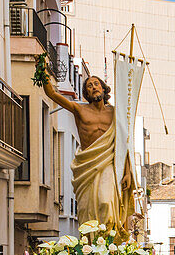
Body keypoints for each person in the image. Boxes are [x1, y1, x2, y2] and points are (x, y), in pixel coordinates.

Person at [43, 74, 136, 231]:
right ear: (86, 93)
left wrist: (127, 171)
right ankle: (92, 244)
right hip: (86, 165)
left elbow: (123, 143)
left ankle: (107, 243)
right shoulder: (79, 109)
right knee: (86, 210)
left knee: (105, 201)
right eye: (89, 86)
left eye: (96, 84)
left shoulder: (115, 113)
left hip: (108, 162)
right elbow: (52, 94)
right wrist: (42, 71)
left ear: (103, 88)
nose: (93, 87)